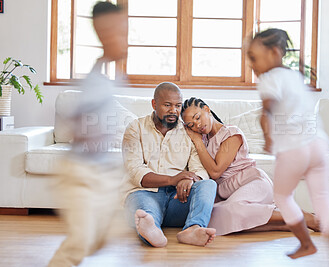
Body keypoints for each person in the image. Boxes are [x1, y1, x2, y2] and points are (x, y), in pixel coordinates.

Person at [247, 28, 329, 262]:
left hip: (294, 149)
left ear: (274, 52)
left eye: (253, 57)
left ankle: (306, 244)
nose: (251, 64)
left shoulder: (269, 79)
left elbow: (266, 109)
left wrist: (268, 137)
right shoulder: (296, 76)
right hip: (319, 144)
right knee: (322, 199)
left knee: (282, 196)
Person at [48, 2, 128, 266]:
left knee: (102, 238)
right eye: (119, 33)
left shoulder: (105, 75)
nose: (125, 40)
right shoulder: (95, 82)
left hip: (101, 172)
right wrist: (83, 128)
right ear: (103, 34)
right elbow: (76, 120)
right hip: (80, 173)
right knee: (80, 242)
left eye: (126, 32)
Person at [180, 97, 319, 236]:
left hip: (252, 182)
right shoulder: (203, 141)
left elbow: (216, 171)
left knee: (235, 210)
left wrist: (197, 141)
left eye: (197, 117)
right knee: (214, 216)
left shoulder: (231, 133)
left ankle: (302, 217)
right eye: (191, 125)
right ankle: (284, 225)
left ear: (207, 109)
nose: (197, 125)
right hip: (228, 193)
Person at [122, 82, 217, 248]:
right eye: (167, 105)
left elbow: (199, 169)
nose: (174, 111)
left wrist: (191, 180)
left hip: (178, 198)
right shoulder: (135, 128)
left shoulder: (188, 131)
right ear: (154, 104)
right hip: (145, 194)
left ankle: (193, 229)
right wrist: (173, 179)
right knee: (146, 214)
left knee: (208, 184)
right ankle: (152, 231)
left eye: (178, 106)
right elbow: (135, 171)